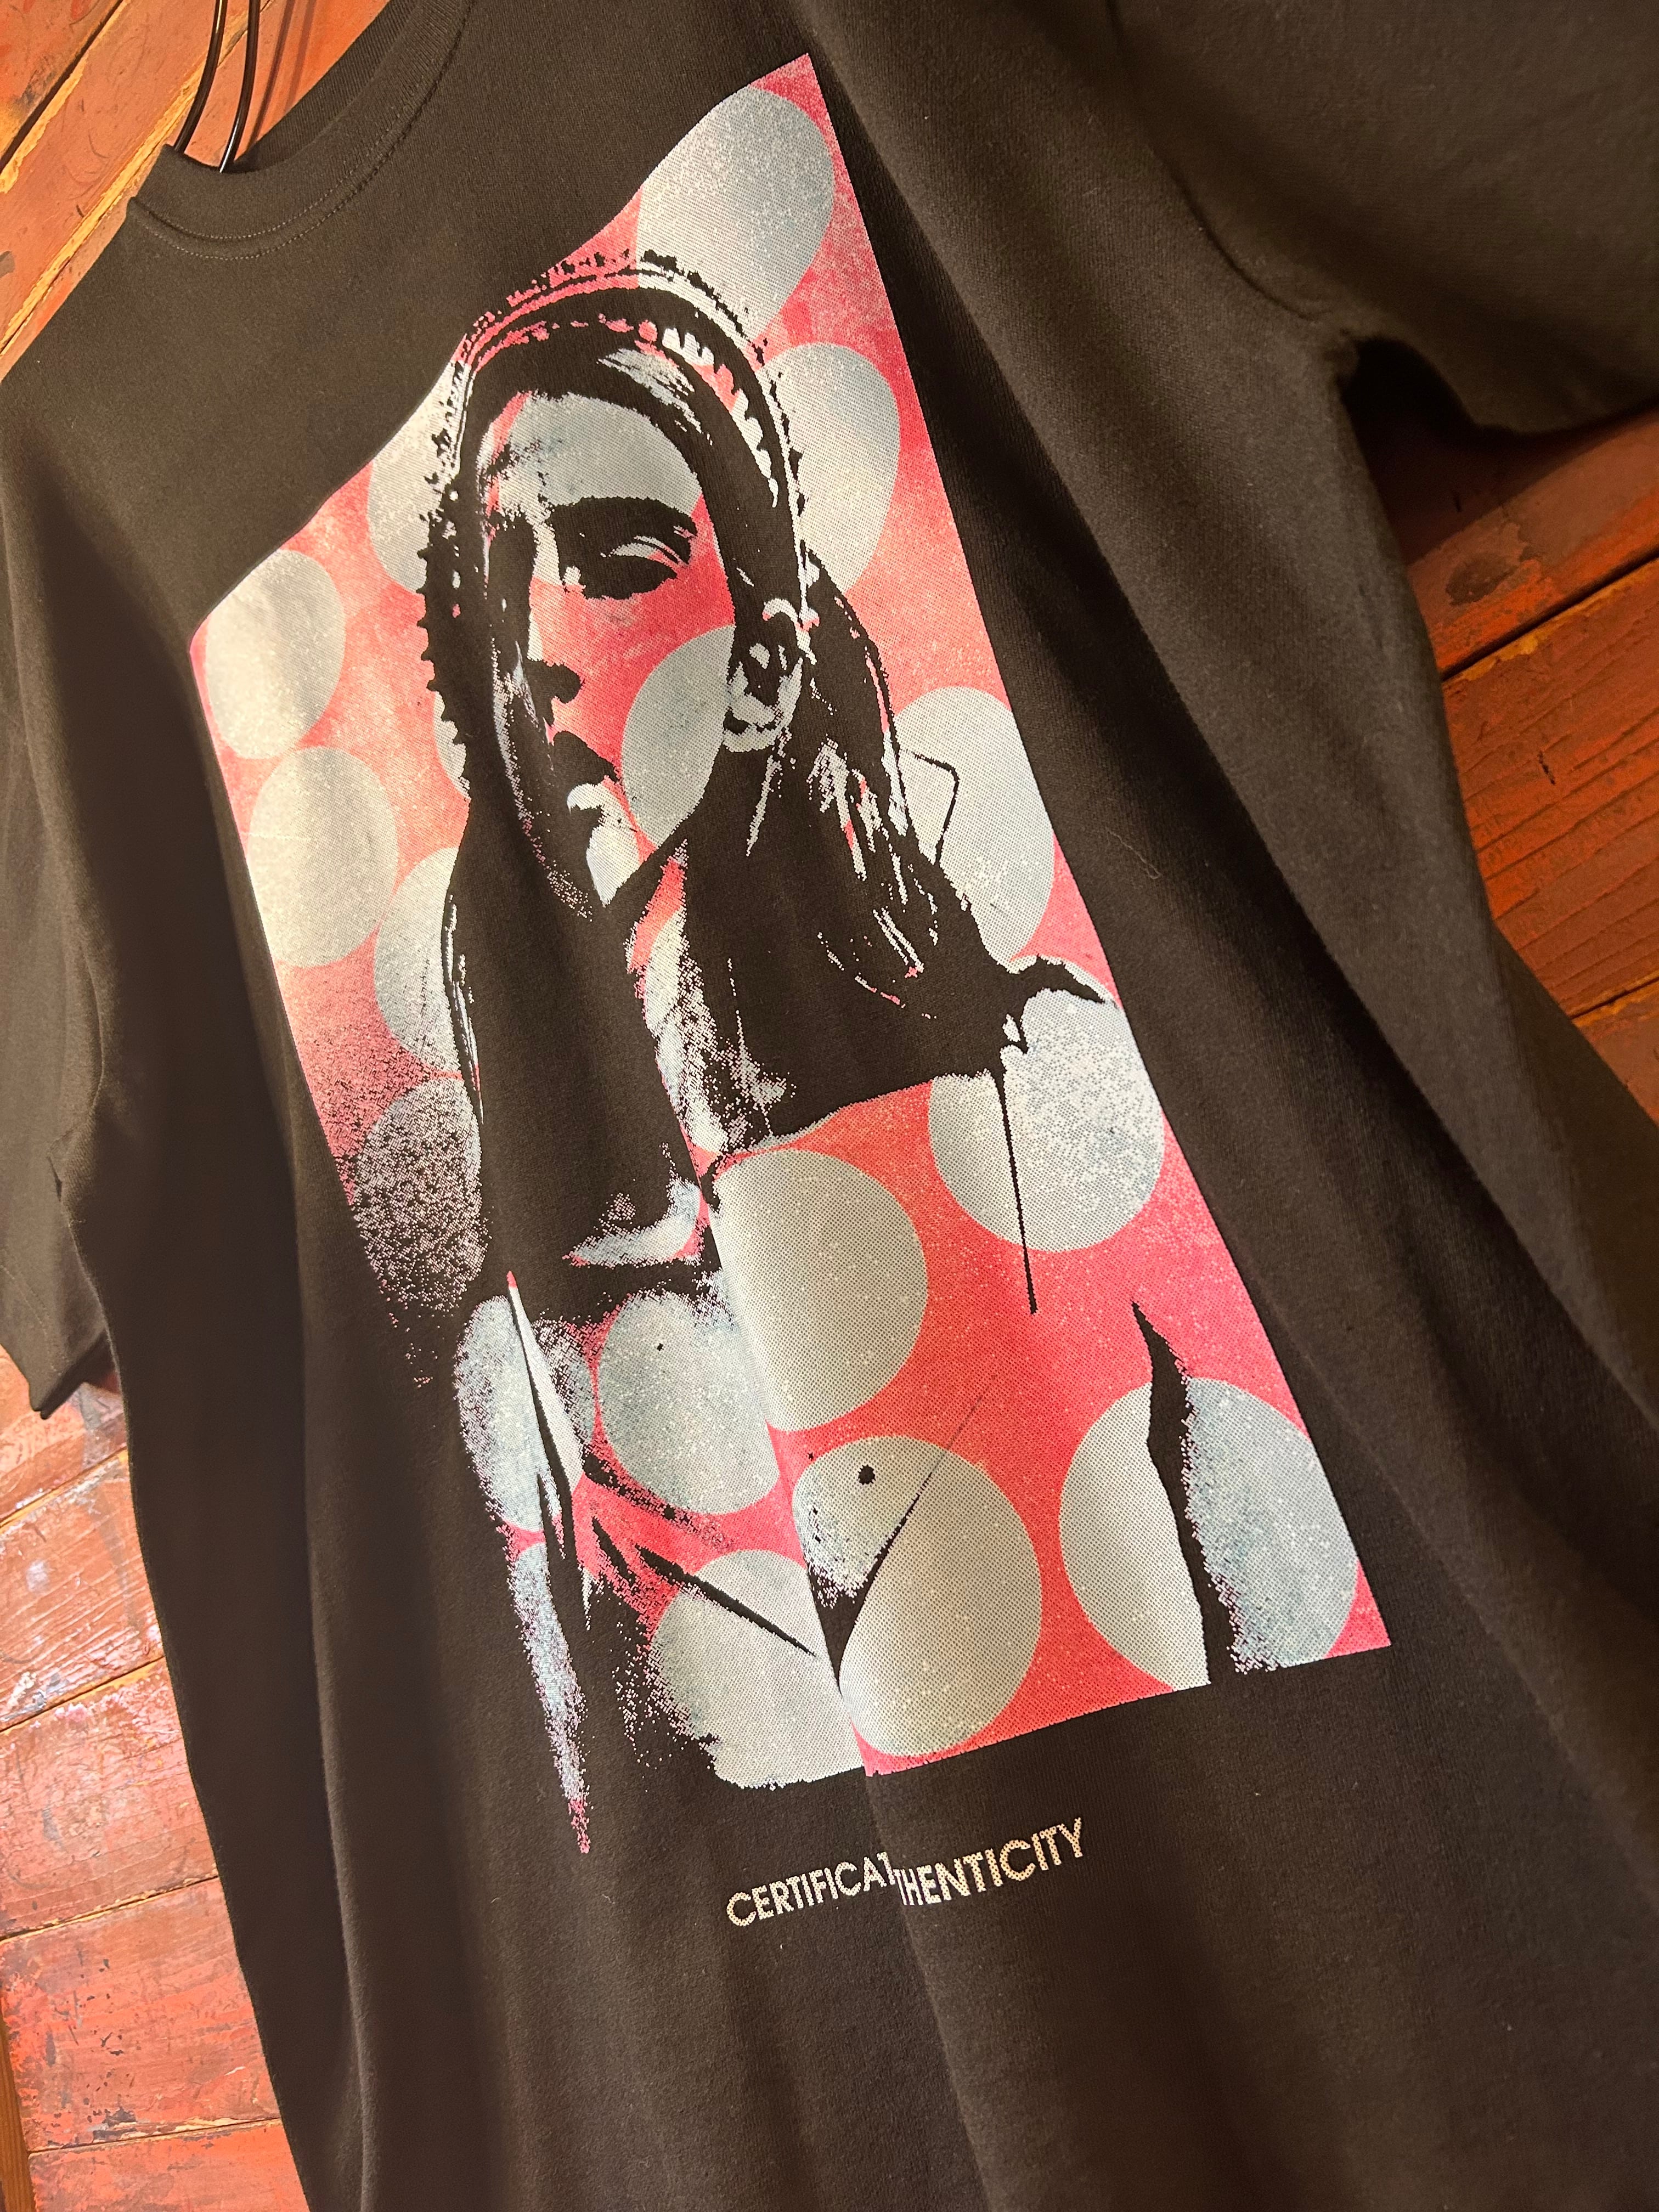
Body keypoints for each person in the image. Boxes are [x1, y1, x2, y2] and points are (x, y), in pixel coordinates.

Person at [418, 257, 1112, 1834]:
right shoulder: (517, 1380)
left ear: (765, 666)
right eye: (499, 580)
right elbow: (605, 1845)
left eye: (614, 561)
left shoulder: (1045, 1096)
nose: (535, 646)